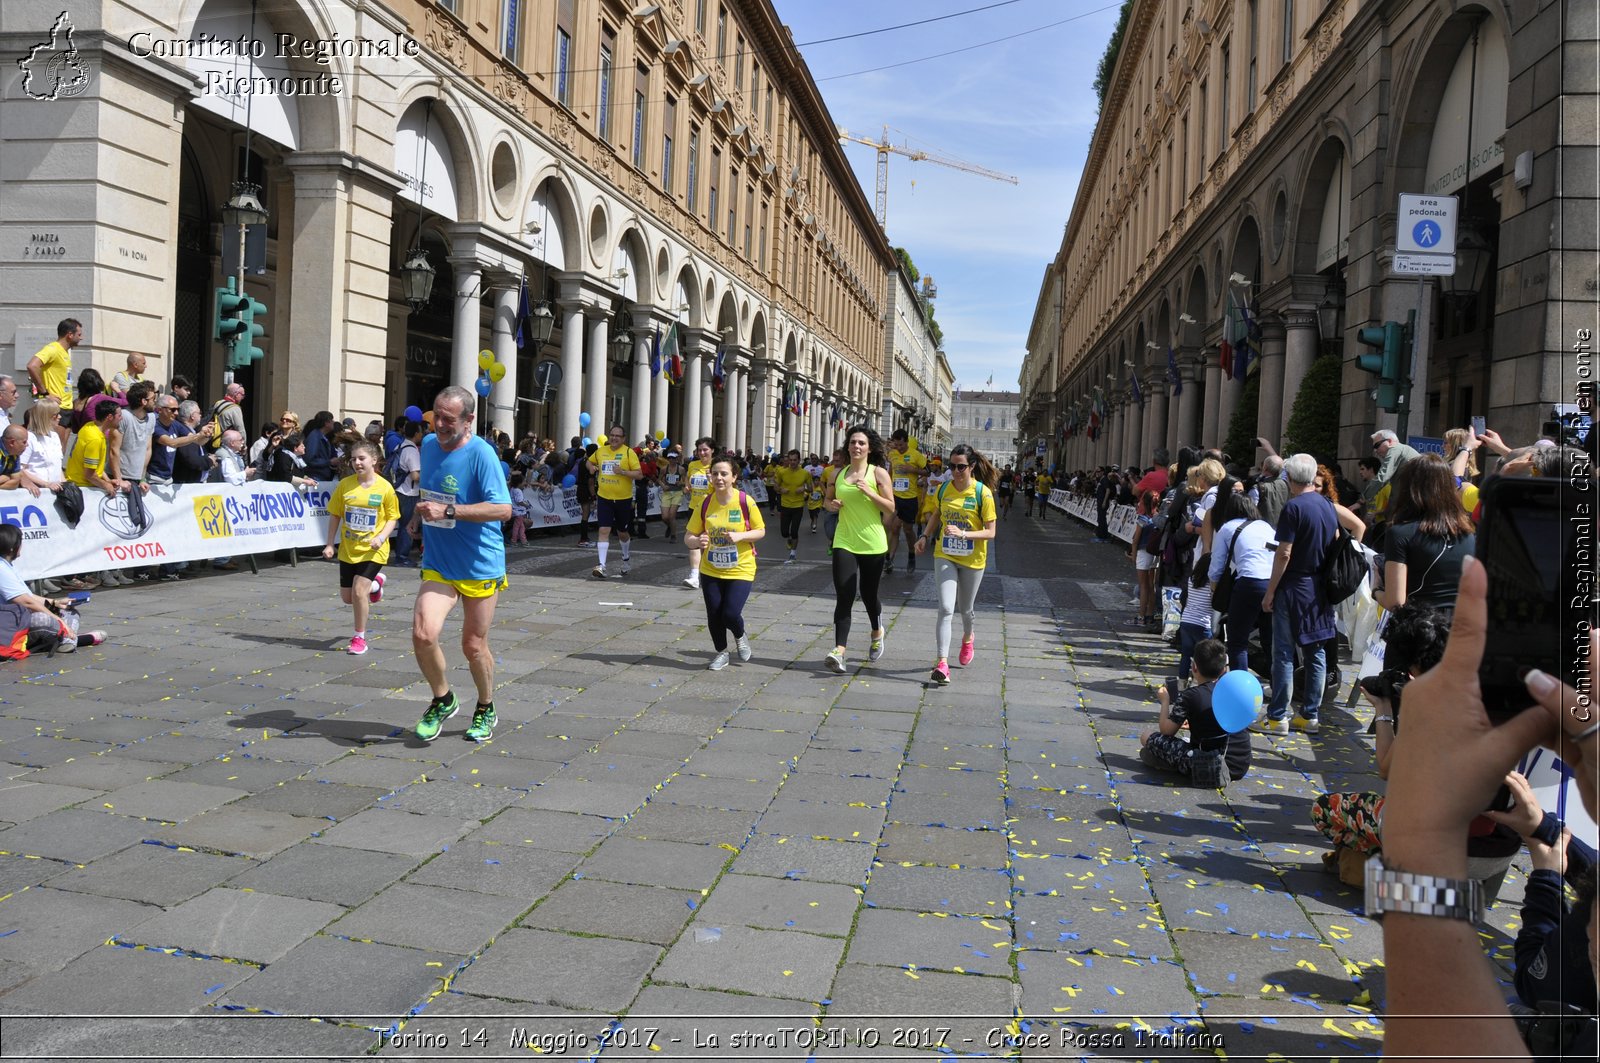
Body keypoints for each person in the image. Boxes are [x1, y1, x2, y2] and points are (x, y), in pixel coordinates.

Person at [1377, 555, 1599, 1061]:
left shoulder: (1434, 705)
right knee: (1465, 931)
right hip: (1502, 843)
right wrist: (1542, 826)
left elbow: (1534, 973)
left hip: (1465, 843)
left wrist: (1389, 713)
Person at [406, 386, 512, 743]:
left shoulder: (483, 454)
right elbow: (434, 493)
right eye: (436, 416)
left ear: (469, 421)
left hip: (480, 562)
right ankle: (442, 698)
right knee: (423, 634)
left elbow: (503, 510)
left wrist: (449, 511)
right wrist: (419, 517)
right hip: (439, 560)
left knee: (473, 645)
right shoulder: (430, 446)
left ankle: (485, 706)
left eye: (448, 419)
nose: (439, 424)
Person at [1254, 453, 1337, 735]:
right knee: (1316, 653)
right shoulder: (1327, 505)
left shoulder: (1293, 508)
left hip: (1293, 585)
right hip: (1318, 587)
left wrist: (1270, 591)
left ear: (1288, 477)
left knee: (1284, 653)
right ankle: (1310, 715)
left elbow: (1284, 553)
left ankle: (1278, 716)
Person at [915, 443, 997, 686]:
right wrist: (924, 536)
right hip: (945, 554)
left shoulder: (983, 493)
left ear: (971, 467)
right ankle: (942, 663)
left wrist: (964, 534)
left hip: (973, 559)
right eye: (952, 466)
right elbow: (938, 515)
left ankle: (968, 636)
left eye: (961, 466)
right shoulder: (943, 490)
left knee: (965, 609)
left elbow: (991, 533)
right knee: (946, 608)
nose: (956, 471)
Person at [684, 453, 766, 670]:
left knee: (729, 613)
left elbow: (760, 531)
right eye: (715, 474)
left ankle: (740, 635)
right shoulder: (704, 503)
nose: (719, 478)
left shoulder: (744, 501)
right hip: (711, 568)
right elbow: (688, 537)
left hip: (741, 567)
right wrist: (697, 540)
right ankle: (721, 652)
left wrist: (741, 536)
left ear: (734, 477)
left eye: (724, 474)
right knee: (714, 613)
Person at [823, 425, 894, 672]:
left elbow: (890, 508)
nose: (856, 446)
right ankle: (839, 651)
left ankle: (877, 631)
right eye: (853, 442)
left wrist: (869, 492)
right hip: (844, 539)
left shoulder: (879, 474)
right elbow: (827, 500)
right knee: (844, 594)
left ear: (869, 448)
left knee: (868, 594)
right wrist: (832, 505)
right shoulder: (837, 474)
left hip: (873, 542)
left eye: (861, 443)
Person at [1139, 638, 1250, 787]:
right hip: (1239, 766)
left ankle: (1171, 763)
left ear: (1194, 667)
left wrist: (1165, 701)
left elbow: (1166, 731)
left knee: (1146, 737)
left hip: (1209, 765)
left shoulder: (1190, 695)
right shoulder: (1233, 691)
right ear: (1223, 669)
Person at [322, 441, 399, 656]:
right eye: (354, 459)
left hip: (374, 550)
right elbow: (335, 514)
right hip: (349, 549)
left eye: (362, 458)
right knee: (348, 598)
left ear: (374, 460)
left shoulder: (384, 487)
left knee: (358, 591)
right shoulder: (345, 485)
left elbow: (393, 517)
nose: (357, 463)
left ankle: (359, 638)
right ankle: (376, 585)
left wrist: (382, 537)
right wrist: (330, 544)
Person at [1378, 453, 1476, 614]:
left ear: (1407, 488)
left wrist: (1376, 589)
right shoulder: (1468, 534)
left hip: (1421, 629)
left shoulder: (1400, 533)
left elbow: (1395, 603)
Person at [0, 524, 105, 657]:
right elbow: (25, 602)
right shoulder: (1, 568)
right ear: (12, 547)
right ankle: (77, 640)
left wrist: (55, 602)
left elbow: (28, 596)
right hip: (9, 625)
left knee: (68, 611)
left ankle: (66, 640)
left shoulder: (6, 565)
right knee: (44, 619)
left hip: (17, 619)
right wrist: (59, 621)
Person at [1207, 489, 1276, 677]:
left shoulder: (1228, 528)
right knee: (1270, 640)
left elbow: (1216, 566)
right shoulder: (1266, 526)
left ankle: (1240, 687)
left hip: (1248, 582)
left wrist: (1214, 589)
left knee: (1238, 641)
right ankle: (1278, 688)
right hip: (1273, 583)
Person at [589, 424, 642, 579]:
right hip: (604, 497)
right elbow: (589, 462)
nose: (614, 438)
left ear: (623, 438)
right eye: (612, 435)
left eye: (617, 436)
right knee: (603, 530)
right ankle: (602, 566)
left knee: (622, 532)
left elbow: (639, 475)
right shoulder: (601, 451)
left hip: (623, 500)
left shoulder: (628, 452)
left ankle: (626, 558)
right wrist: (591, 467)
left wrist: (623, 472)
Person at [884, 429, 926, 574]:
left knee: (908, 530)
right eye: (897, 445)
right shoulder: (892, 454)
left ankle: (911, 554)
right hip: (895, 496)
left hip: (910, 498)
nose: (899, 448)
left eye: (901, 445)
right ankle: (889, 558)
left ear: (906, 442)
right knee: (890, 525)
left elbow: (927, 471)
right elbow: (890, 473)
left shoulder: (916, 455)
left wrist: (912, 469)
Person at [682, 437, 716, 588]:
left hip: (711, 510)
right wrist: (687, 487)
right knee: (694, 541)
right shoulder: (692, 465)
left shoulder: (717, 466)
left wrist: (712, 480)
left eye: (705, 450)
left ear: (712, 450)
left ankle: (711, 574)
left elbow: (728, 488)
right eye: (699, 450)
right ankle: (694, 576)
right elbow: (688, 480)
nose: (702, 453)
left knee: (708, 543)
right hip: (694, 508)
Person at [26, 318, 81, 407]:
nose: (81, 338)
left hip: (65, 407)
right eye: (79, 335)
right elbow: (32, 366)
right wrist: (45, 393)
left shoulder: (65, 351)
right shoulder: (53, 349)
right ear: (70, 335)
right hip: (55, 407)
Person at [389, 418, 422, 566]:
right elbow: (415, 475)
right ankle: (402, 557)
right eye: (421, 432)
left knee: (402, 523)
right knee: (407, 525)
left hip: (399, 489)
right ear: (416, 433)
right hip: (408, 492)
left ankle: (401, 555)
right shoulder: (411, 450)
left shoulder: (400, 446)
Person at [772, 449, 811, 563]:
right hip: (785, 505)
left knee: (794, 531)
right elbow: (775, 486)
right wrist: (780, 489)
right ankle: (789, 539)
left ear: (799, 460)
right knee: (784, 532)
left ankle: (792, 555)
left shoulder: (805, 473)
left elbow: (811, 488)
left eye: (795, 460)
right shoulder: (782, 472)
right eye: (790, 460)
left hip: (798, 506)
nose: (792, 462)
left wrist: (803, 489)